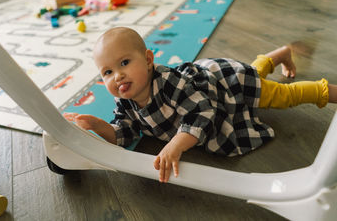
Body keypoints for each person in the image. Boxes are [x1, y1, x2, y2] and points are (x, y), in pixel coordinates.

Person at [65, 27, 337, 183]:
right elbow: (124, 132)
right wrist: (96, 125)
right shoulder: (124, 98)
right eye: (107, 72)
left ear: (148, 59)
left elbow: (203, 112)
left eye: (125, 63)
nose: (118, 76)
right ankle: (281, 54)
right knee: (256, 72)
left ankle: (327, 92)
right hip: (220, 88)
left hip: (227, 86)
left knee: (279, 95)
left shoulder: (167, 82)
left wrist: (175, 144)